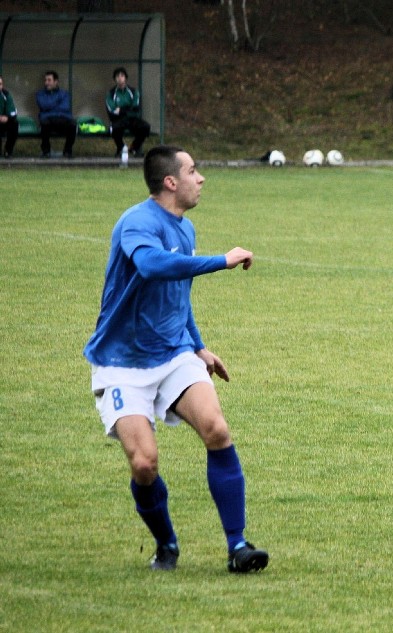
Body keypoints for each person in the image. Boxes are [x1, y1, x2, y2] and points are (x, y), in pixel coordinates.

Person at [83, 145, 269, 573]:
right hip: (121, 362)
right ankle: (166, 544)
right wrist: (222, 261)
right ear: (171, 182)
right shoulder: (136, 223)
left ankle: (238, 546)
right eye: (192, 171)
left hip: (172, 353)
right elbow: (152, 267)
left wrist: (198, 346)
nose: (200, 178)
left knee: (217, 429)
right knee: (144, 463)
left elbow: (177, 297)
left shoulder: (185, 228)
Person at [106, 66, 151, 157]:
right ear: (115, 79)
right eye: (117, 76)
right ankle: (121, 148)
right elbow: (113, 110)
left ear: (126, 78)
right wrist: (128, 108)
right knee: (114, 129)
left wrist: (122, 109)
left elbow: (136, 107)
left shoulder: (133, 92)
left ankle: (134, 148)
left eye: (122, 76)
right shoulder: (111, 93)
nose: (120, 78)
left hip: (132, 118)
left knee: (145, 127)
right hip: (118, 120)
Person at [36, 70, 76, 158]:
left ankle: (67, 151)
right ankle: (46, 151)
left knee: (73, 124)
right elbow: (43, 105)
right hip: (48, 119)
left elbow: (65, 107)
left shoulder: (64, 94)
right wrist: (58, 101)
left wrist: (50, 106)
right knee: (44, 124)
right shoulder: (40, 94)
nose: (46, 83)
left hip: (62, 119)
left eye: (49, 80)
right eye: (45, 80)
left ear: (56, 82)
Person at [0, 75, 19, 158]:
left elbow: (13, 112)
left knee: (14, 124)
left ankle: (8, 151)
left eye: (0, 84)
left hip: (3, 121)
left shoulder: (6, 95)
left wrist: (7, 117)